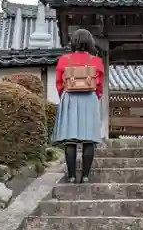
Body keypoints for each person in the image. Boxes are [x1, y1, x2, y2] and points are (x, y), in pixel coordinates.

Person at [52, 29, 105, 183]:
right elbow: (100, 84)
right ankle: (86, 176)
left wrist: (65, 95)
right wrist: (96, 96)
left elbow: (59, 83)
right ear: (90, 43)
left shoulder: (64, 59)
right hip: (89, 98)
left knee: (71, 140)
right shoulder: (96, 61)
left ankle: (72, 176)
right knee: (89, 139)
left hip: (70, 97)